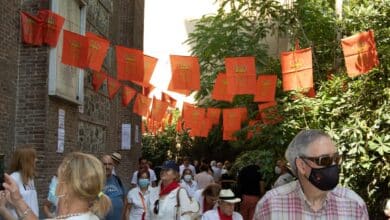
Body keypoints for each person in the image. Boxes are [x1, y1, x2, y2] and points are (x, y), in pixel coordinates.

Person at [253, 129, 369, 219]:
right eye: (324, 160)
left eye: (336, 159)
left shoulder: (354, 205)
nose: (333, 165)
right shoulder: (270, 205)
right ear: (302, 166)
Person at [0, 152, 112, 220]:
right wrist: (18, 200)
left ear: (65, 187)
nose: (54, 181)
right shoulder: (90, 216)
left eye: (57, 177)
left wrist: (2, 208)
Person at [8, 145, 39, 218]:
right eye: (33, 158)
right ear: (25, 161)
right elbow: (9, 203)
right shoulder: (13, 178)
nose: (36, 160)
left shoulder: (30, 178)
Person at [102, 154, 125, 220]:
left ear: (113, 166)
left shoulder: (117, 180)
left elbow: (123, 198)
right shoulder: (96, 181)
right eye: (104, 164)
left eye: (110, 164)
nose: (107, 167)